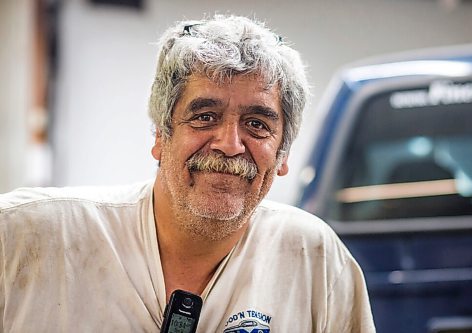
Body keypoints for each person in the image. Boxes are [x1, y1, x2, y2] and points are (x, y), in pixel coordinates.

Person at [0, 15, 375, 332]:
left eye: (257, 123)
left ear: (282, 153)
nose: (230, 144)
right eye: (205, 116)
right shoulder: (25, 235)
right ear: (161, 136)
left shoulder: (315, 259)